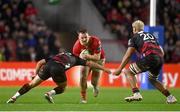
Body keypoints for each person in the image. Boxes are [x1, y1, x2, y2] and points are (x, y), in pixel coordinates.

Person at [6, 51, 111, 104]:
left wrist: (36, 74)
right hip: (58, 68)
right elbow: (91, 64)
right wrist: (104, 69)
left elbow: (39, 62)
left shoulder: (62, 53)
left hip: (48, 66)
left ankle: (14, 97)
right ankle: (49, 93)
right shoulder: (78, 59)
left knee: (31, 84)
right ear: (81, 54)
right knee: (63, 87)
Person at [113, 20, 177, 104]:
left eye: (133, 28)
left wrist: (119, 68)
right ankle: (170, 97)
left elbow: (128, 55)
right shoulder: (151, 36)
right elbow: (161, 50)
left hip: (150, 57)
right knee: (152, 79)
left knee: (128, 72)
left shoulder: (134, 38)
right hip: (160, 58)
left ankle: (136, 93)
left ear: (135, 29)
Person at [73, 28, 105, 103]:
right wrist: (81, 58)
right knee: (82, 76)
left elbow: (97, 57)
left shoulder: (95, 41)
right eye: (82, 38)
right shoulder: (76, 48)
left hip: (99, 59)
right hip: (86, 60)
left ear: (89, 36)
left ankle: (95, 86)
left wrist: (86, 56)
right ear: (78, 38)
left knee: (94, 81)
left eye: (86, 37)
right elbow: (76, 60)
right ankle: (83, 98)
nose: (84, 39)